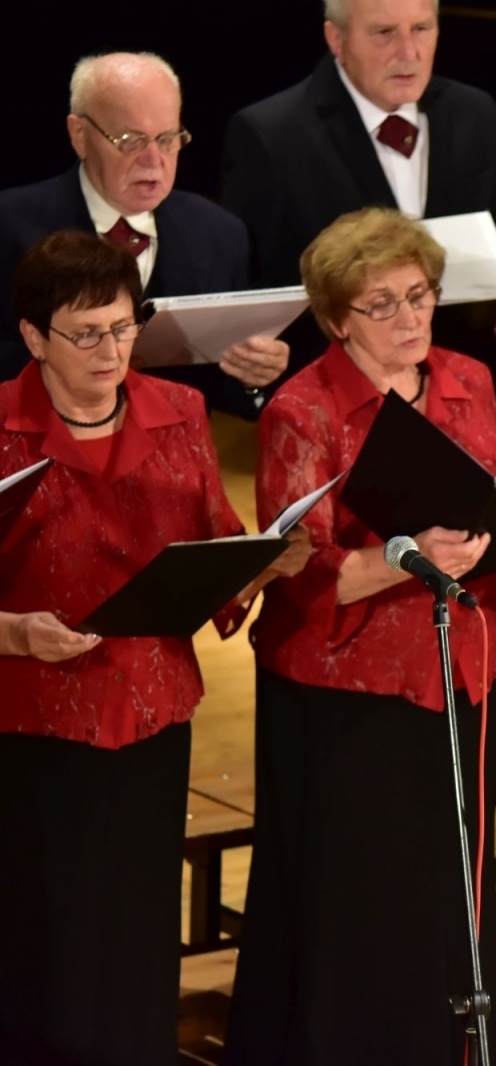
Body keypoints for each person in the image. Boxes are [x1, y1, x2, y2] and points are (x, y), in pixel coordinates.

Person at [222, 208, 496, 1066]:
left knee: (446, 901)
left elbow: (489, 497)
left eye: (421, 296)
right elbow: (297, 567)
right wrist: (406, 560)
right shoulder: (303, 408)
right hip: (346, 694)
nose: (411, 318)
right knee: (359, 911)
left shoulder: (466, 381)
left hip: (459, 669)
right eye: (383, 305)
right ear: (336, 319)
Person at [0, 231, 307, 1065]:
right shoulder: (0, 426)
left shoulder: (178, 411)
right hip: (35, 724)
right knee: (43, 936)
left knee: (137, 931)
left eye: (124, 326)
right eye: (86, 333)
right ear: (33, 338)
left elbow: (214, 534)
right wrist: (16, 633)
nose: (111, 350)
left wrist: (260, 562)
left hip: (149, 709)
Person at [219, 0, 496, 369]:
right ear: (336, 38)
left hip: (466, 378)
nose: (409, 52)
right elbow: (253, 297)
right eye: (384, 33)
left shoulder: (475, 114)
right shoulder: (273, 136)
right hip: (338, 390)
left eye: (421, 29)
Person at [0, 52, 289, 419]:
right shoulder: (10, 226)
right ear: (79, 135)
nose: (154, 160)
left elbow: (220, 390)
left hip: (175, 453)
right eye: (130, 140)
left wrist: (253, 374)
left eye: (168, 139)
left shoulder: (219, 233)